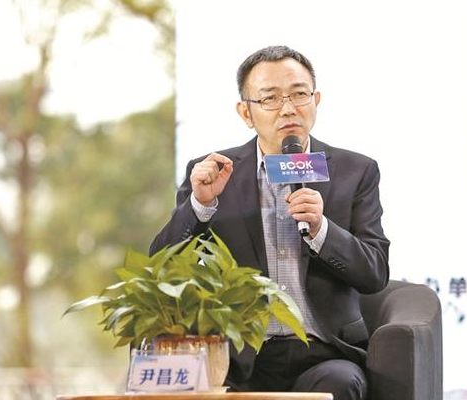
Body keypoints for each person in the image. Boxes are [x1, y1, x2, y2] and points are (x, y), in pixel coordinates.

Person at [150, 45, 390, 400]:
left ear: (316, 100)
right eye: (270, 98)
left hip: (323, 352)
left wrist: (322, 230)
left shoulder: (355, 171)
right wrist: (201, 205)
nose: (288, 108)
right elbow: (163, 266)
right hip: (238, 356)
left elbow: (375, 273)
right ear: (246, 112)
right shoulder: (215, 172)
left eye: (299, 94)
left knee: (341, 383)